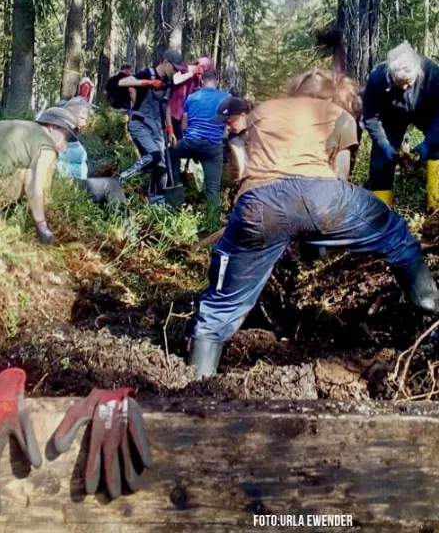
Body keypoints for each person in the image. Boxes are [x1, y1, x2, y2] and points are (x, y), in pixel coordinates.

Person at [188, 68, 439, 378]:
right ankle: (434, 321)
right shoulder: (340, 116)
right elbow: (341, 176)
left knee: (220, 305)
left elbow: (241, 164)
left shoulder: (262, 110)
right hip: (325, 197)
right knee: (399, 238)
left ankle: (196, 383)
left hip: (259, 204)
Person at [0, 107, 78, 245]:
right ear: (52, 127)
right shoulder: (47, 145)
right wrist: (42, 226)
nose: (64, 146)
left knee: (19, 166)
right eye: (65, 137)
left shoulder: (14, 125)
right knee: (32, 174)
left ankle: (2, 214)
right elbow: (33, 185)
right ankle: (22, 220)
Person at [363, 41, 439, 207]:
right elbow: (371, 117)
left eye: (409, 82)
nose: (405, 87)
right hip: (391, 115)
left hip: (425, 111)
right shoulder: (377, 78)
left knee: (437, 147)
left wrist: (428, 143)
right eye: (400, 83)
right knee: (381, 161)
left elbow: (438, 113)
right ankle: (381, 213)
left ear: (417, 72)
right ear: (390, 75)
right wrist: (384, 145)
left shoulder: (431, 73)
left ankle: (435, 207)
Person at [117, 48, 183, 205]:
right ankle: (122, 178)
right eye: (173, 68)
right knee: (153, 156)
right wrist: (147, 82)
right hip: (140, 123)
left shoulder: (169, 81)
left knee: (161, 167)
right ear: (165, 62)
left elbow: (167, 106)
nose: (175, 72)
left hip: (157, 128)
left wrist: (170, 129)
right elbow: (122, 82)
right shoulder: (147, 73)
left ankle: (156, 202)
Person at [169, 69, 231, 214]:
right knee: (213, 187)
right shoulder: (227, 98)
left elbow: (184, 126)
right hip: (213, 148)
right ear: (217, 81)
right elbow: (228, 125)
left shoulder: (191, 97)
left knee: (168, 153)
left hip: (191, 142)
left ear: (202, 81)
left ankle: (174, 184)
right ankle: (213, 221)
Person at [56, 97, 126, 205]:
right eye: (82, 118)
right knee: (112, 185)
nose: (84, 124)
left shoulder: (71, 131)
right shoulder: (59, 130)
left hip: (75, 181)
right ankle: (124, 221)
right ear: (69, 111)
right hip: (66, 183)